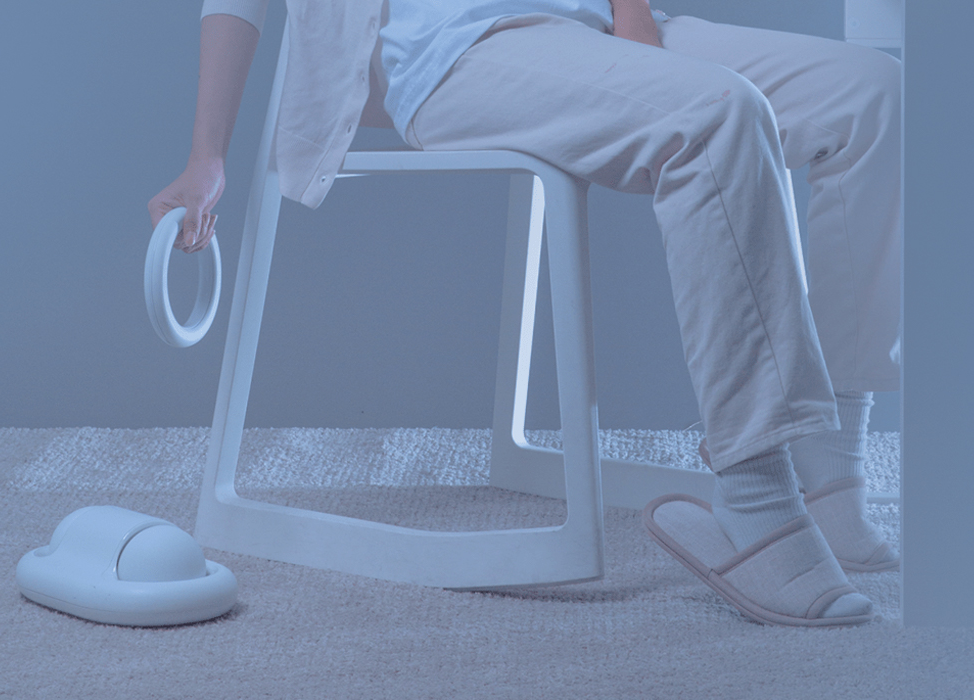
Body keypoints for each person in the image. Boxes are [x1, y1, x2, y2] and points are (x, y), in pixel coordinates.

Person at [149, 0, 901, 626]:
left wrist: (633, 16)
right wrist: (205, 154)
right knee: (718, 116)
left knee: (875, 95)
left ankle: (829, 471)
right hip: (455, 51)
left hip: (590, 22)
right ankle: (756, 494)